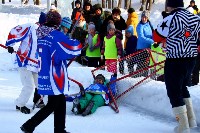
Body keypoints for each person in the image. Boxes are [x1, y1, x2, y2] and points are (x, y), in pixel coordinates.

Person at [20, 10, 82, 133]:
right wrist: (78, 41)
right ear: (57, 23)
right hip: (55, 75)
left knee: (60, 101)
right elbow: (72, 49)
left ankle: (59, 129)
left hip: (45, 72)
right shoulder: (56, 35)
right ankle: (29, 125)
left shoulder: (42, 34)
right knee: (52, 104)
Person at [153, 0, 200, 132]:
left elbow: (156, 36)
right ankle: (191, 121)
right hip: (191, 59)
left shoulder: (170, 18)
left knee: (173, 90)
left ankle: (183, 126)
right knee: (182, 86)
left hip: (175, 59)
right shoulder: (195, 17)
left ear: (169, 5)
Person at [6, 12, 46, 114]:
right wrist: (11, 44)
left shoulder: (45, 32)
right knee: (29, 85)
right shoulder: (31, 27)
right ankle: (20, 105)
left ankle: (40, 100)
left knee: (41, 84)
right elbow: (16, 30)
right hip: (24, 61)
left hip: (35, 64)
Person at [136, 10, 154, 77]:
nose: (144, 19)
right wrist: (152, 41)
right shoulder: (140, 26)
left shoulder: (149, 24)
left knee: (146, 64)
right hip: (142, 48)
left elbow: (152, 33)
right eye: (142, 17)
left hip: (148, 47)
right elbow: (141, 37)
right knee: (141, 65)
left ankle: (144, 77)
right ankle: (137, 77)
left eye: (145, 17)